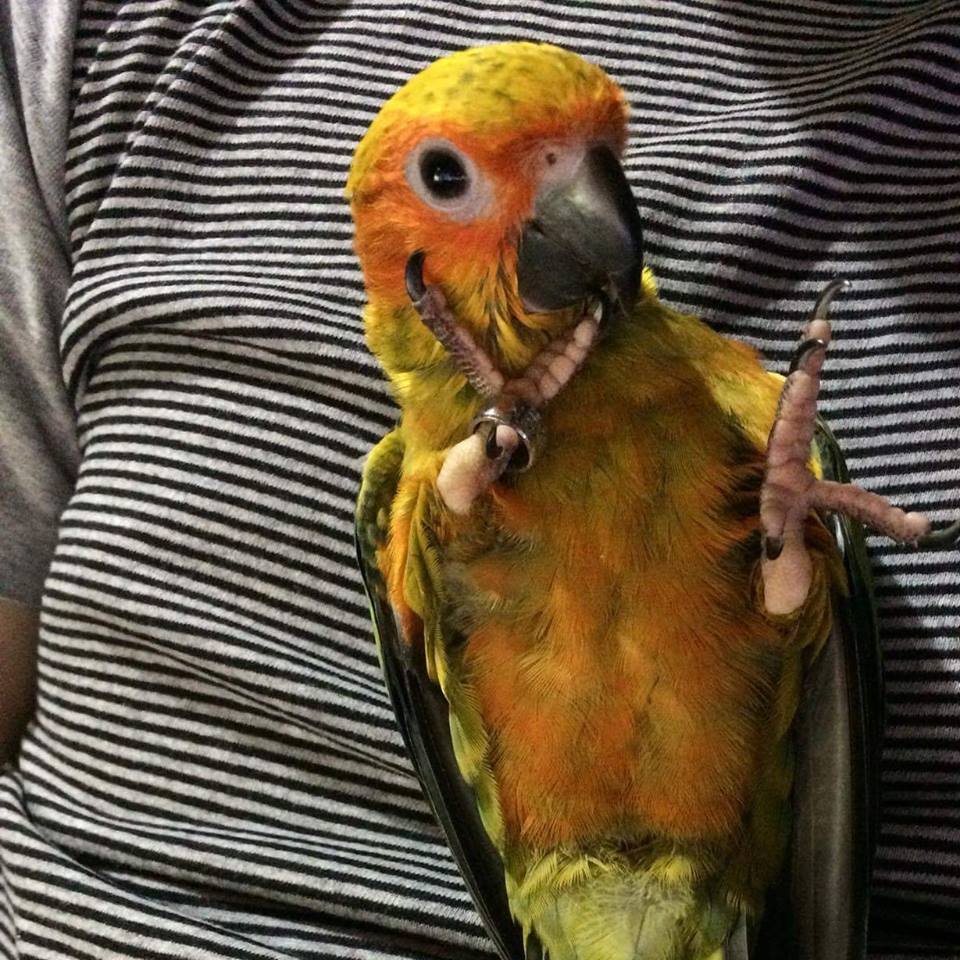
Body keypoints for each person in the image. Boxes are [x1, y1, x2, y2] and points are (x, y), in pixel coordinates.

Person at [1, 2, 957, 957]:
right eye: (450, 179)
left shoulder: (738, 405)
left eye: (594, 157)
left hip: (736, 883)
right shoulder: (411, 494)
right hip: (553, 888)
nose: (572, 192)